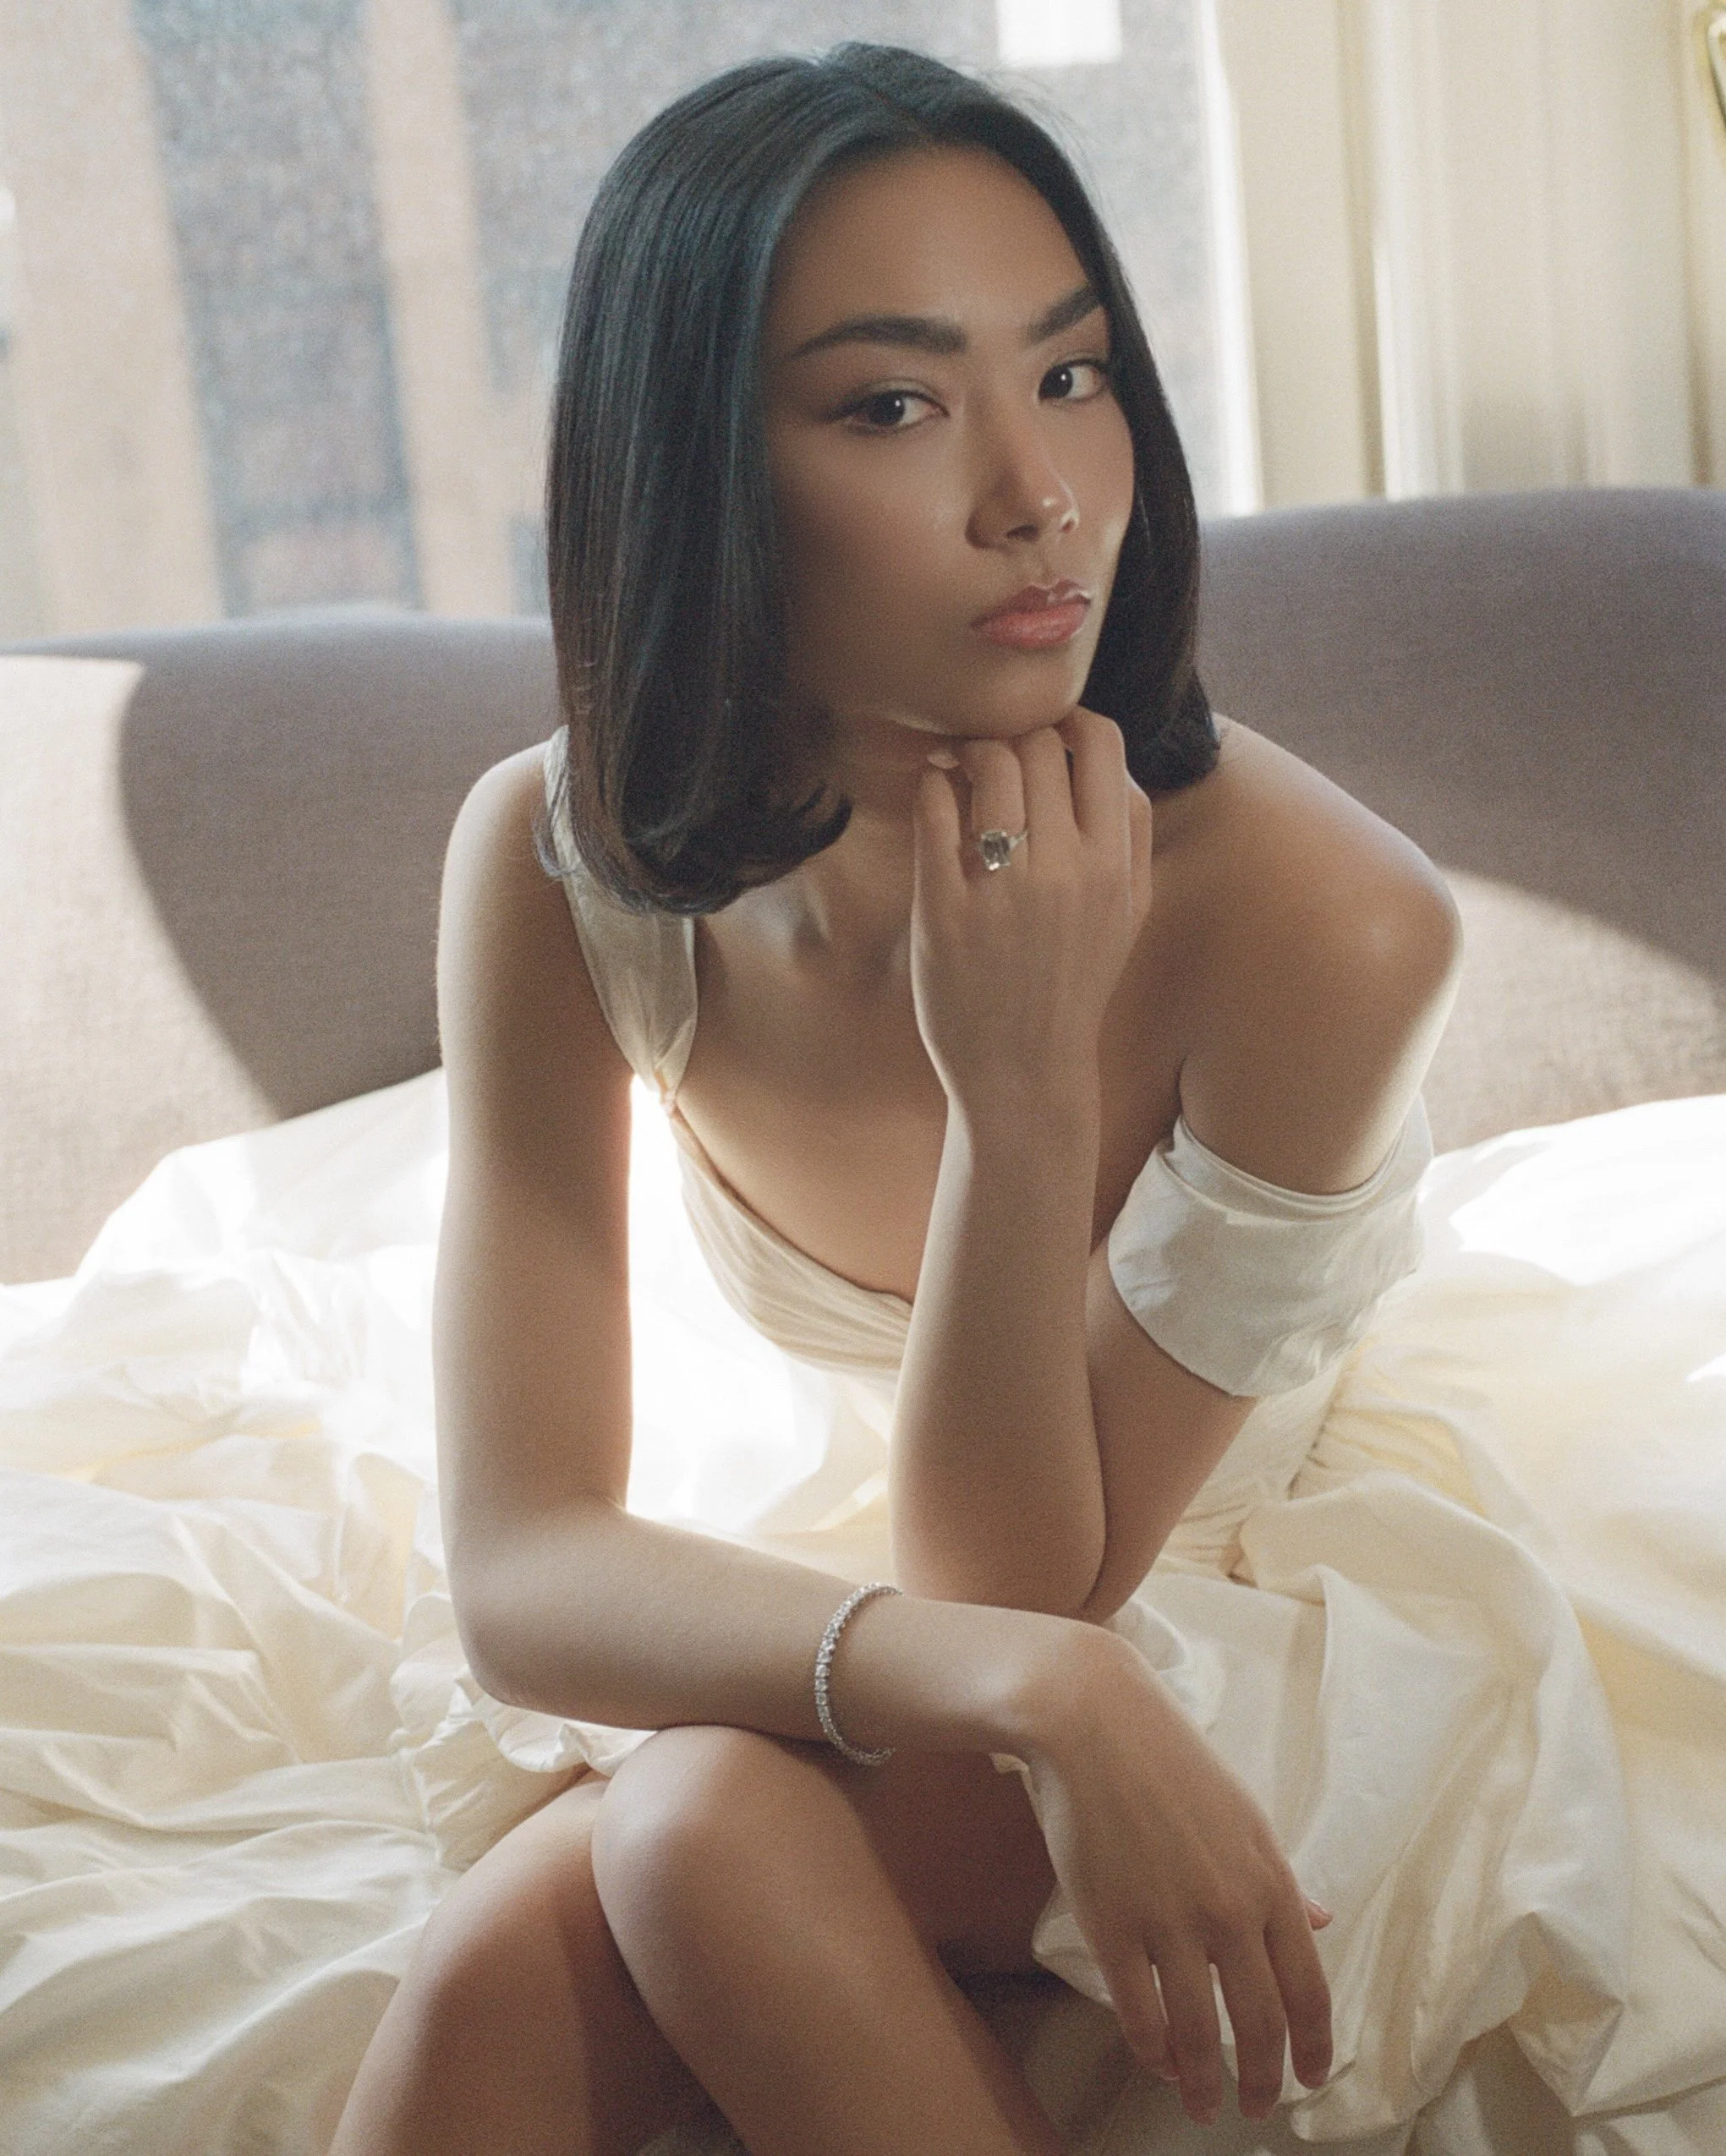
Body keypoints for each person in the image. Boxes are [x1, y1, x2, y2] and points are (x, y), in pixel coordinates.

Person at [328, 41, 1680, 2156]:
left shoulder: (1327, 925)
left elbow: (1029, 1572)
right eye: (892, 405)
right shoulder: (552, 854)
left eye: (1070, 376)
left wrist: (1018, 1095)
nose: (1038, 491)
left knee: (682, 1838)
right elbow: (525, 1568)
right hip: (1011, 1660)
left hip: (1227, 1602)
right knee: (517, 1959)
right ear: (697, 467)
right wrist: (1050, 1700)